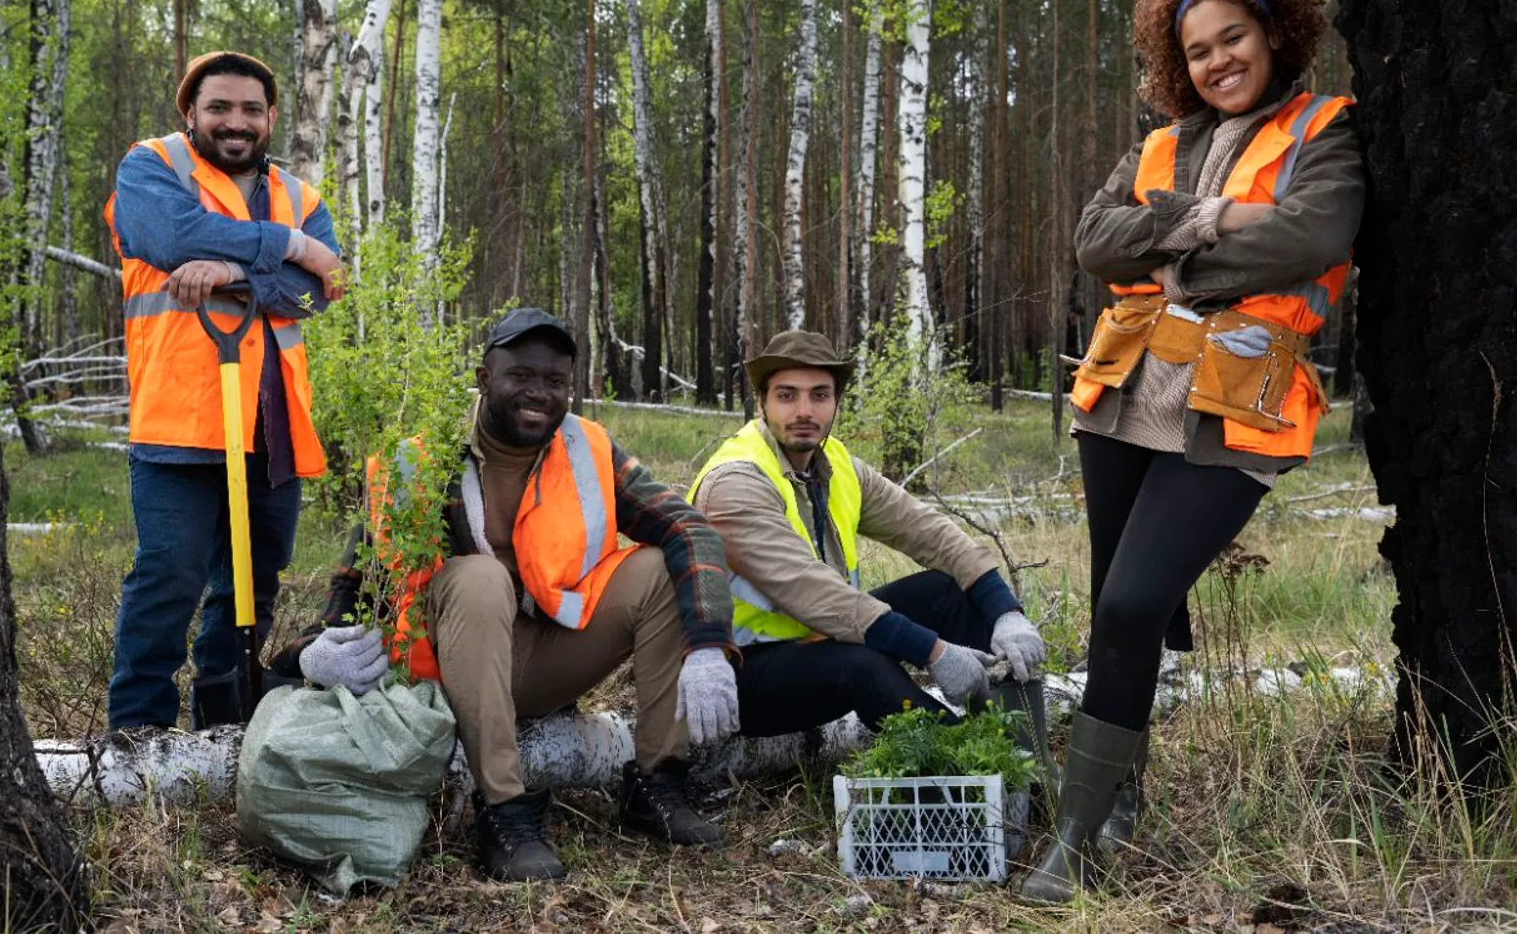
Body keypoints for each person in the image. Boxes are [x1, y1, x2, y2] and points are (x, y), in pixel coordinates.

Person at [1020, 0, 1364, 902]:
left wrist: (1165, 253)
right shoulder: (1159, 143)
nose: (1217, 61)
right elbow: (1094, 239)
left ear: (1275, 31)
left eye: (1233, 38)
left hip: (1235, 413)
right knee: (1112, 615)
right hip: (1123, 398)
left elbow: (1311, 237)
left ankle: (1084, 830)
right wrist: (1214, 220)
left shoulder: (1325, 130)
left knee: (1134, 604)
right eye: (1198, 49)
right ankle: (1094, 818)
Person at [296, 308, 739, 883]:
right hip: (447, 672)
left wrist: (707, 645)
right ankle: (504, 811)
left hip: (544, 659)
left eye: (555, 382)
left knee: (660, 567)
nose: (539, 394)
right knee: (480, 578)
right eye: (521, 376)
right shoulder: (420, 458)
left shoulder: (588, 448)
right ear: (483, 377)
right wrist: (314, 651)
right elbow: (357, 575)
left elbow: (689, 528)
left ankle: (658, 783)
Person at [103, 51, 347, 731]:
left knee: (251, 584)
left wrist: (232, 272)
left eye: (249, 110)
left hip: (271, 426)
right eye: (219, 108)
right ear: (191, 113)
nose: (234, 123)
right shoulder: (152, 166)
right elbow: (167, 235)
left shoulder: (302, 195)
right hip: (178, 420)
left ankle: (224, 718)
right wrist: (287, 244)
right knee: (168, 578)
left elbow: (317, 291)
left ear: (270, 117)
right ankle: (137, 730)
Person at [688, 330, 1048, 740]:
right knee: (865, 665)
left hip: (818, 642)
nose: (804, 410)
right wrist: (935, 652)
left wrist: (1005, 611)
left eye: (819, 395)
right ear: (761, 403)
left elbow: (927, 531)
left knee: (944, 592)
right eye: (787, 396)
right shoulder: (735, 481)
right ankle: (973, 763)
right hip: (737, 675)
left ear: (836, 403)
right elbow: (817, 594)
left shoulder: (836, 465)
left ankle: (1021, 743)